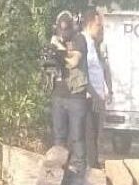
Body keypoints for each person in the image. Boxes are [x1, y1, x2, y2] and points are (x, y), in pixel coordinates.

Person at [50, 11, 89, 174]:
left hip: (76, 97)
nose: (63, 34)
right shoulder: (55, 39)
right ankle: (60, 169)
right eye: (60, 31)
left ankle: (79, 170)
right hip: (58, 95)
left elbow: (74, 62)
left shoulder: (79, 39)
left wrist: (60, 49)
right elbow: (50, 62)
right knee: (59, 136)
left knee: (77, 136)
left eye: (66, 31)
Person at [81, 8, 109, 169]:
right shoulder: (83, 42)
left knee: (97, 134)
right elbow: (84, 75)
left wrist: (105, 92)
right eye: (99, 25)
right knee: (89, 134)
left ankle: (94, 163)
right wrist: (95, 95)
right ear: (90, 24)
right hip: (88, 98)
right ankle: (90, 167)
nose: (101, 29)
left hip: (97, 97)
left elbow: (99, 70)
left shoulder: (94, 44)